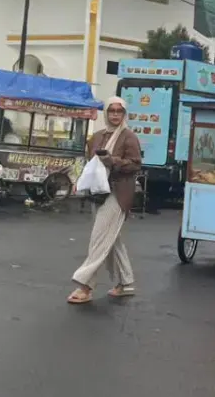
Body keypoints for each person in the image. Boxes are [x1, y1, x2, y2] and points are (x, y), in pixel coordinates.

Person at [68, 97, 142, 304]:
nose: (115, 115)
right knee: (112, 239)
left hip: (118, 194)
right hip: (98, 192)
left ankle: (85, 285)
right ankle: (125, 282)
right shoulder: (97, 136)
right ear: (106, 113)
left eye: (119, 111)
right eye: (112, 111)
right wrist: (79, 181)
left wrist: (113, 161)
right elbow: (89, 163)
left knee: (99, 239)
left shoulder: (129, 137)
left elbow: (136, 165)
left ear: (124, 114)